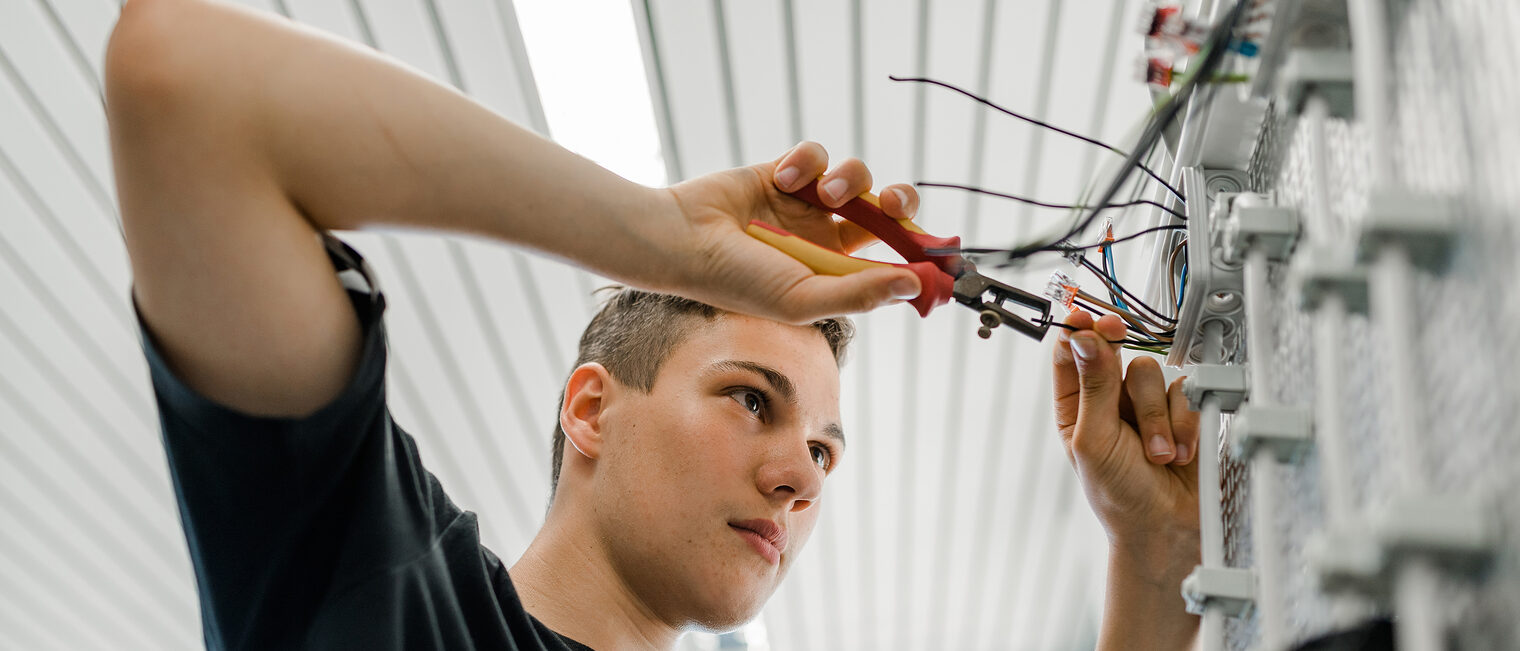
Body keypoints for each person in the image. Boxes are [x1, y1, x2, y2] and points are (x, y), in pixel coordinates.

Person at [105, 0, 1202, 649]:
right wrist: (656, 233)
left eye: (822, 448)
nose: (801, 478)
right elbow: (187, 83)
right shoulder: (398, 605)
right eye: (750, 401)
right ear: (591, 407)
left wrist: (1150, 552)